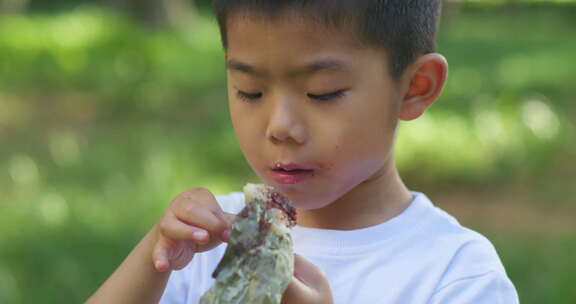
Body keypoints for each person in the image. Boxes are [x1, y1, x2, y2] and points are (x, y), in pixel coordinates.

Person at [87, 0, 520, 303]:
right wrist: (153, 258)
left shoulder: (454, 274)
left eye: (322, 93)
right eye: (250, 91)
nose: (280, 127)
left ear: (414, 88)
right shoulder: (212, 242)